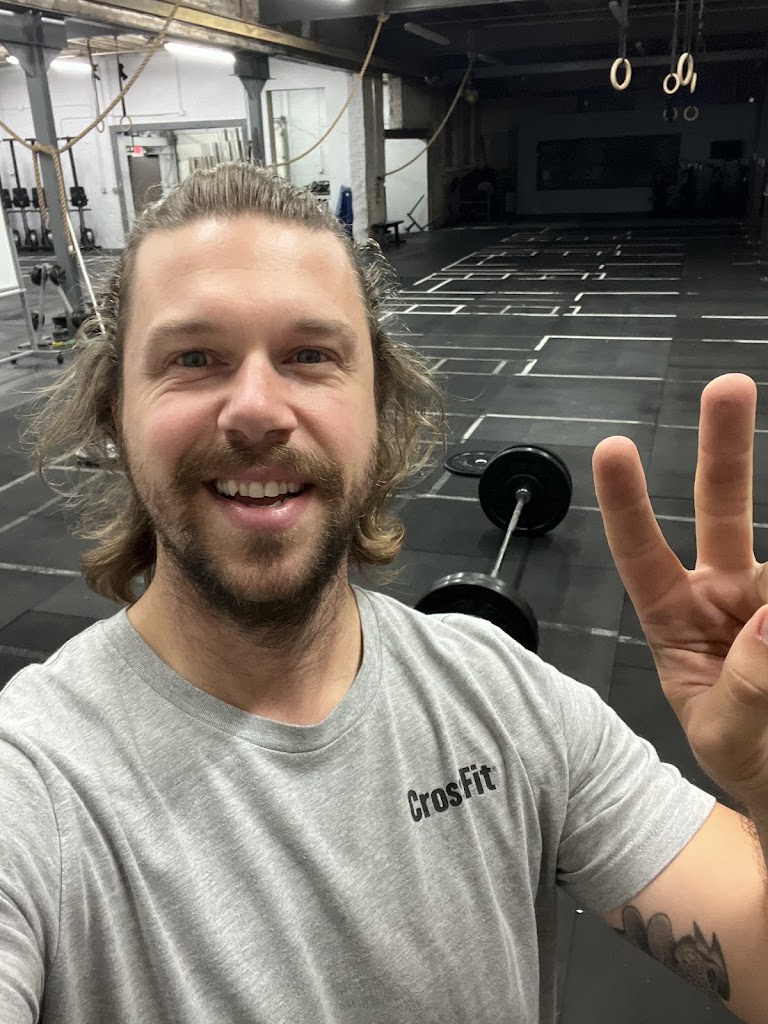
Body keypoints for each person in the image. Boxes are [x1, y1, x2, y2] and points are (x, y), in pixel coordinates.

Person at [1, 162, 767, 1024]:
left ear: (378, 406)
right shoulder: (34, 784)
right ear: (116, 411)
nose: (256, 408)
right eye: (193, 358)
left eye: (310, 356)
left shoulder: (507, 701)